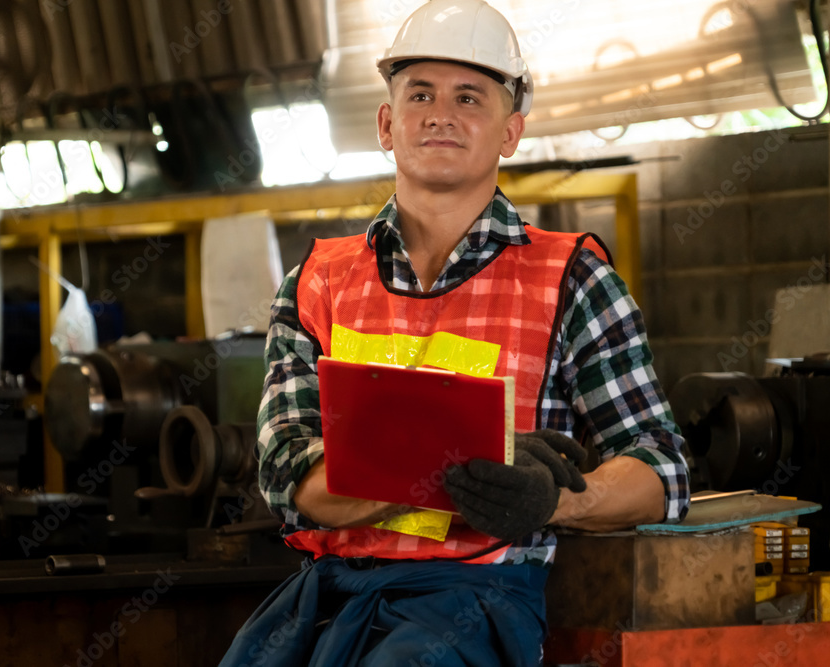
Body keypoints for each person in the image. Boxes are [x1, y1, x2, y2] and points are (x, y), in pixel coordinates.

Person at [220, 1, 689, 665]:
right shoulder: (315, 282)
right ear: (387, 124)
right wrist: (455, 470)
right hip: (322, 598)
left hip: (473, 603)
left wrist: (553, 499)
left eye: (470, 96)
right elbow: (290, 474)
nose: (440, 113)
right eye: (420, 93)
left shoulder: (572, 279)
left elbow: (661, 467)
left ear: (511, 131)